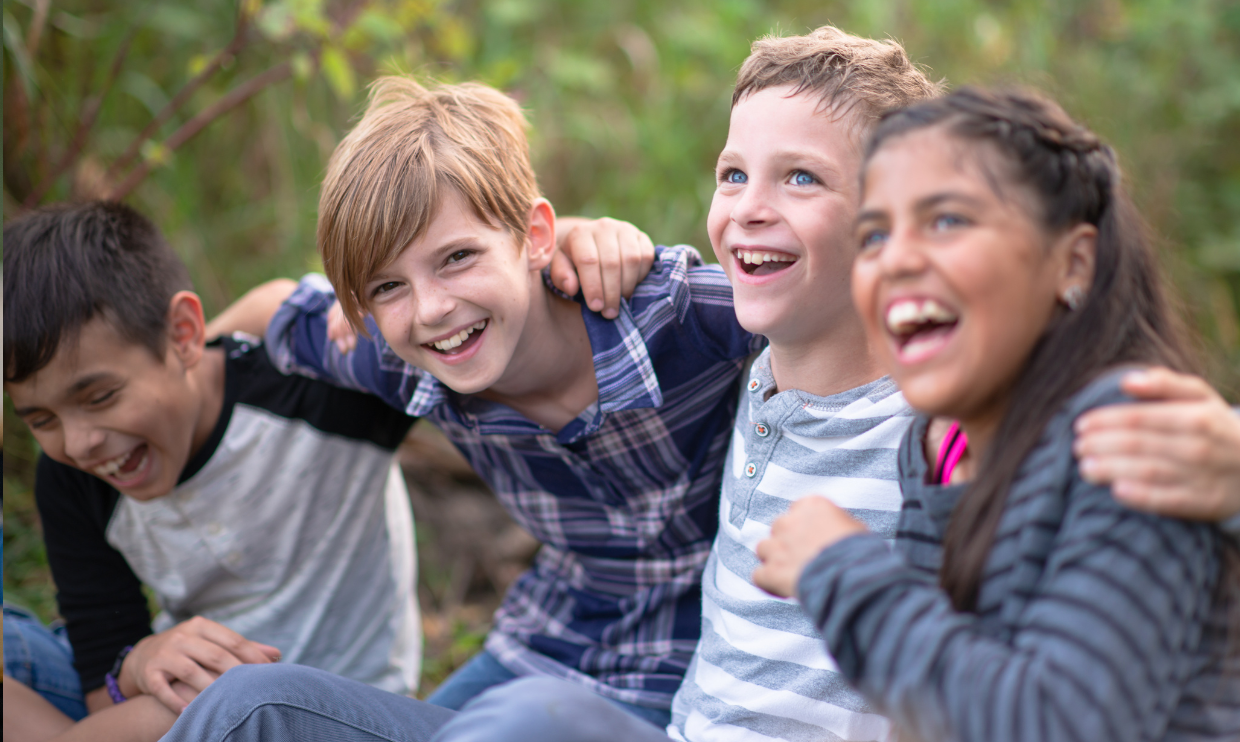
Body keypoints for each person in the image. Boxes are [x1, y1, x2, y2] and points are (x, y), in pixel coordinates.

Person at [159, 30, 1240, 742]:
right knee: (253, 704)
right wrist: (183, 373)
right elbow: (328, 303)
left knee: (533, 722)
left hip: (608, 705)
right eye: (732, 176)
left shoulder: (952, 411)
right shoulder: (753, 359)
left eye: (802, 180)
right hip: (647, 710)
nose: (748, 208)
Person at [752, 88, 1240, 741]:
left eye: (948, 220)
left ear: (1073, 262)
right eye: (874, 234)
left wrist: (841, 570)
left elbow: (1058, 725)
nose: (895, 258)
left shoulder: (1125, 429)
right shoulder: (943, 446)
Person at [3, 201, 422, 740]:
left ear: (183, 334)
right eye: (41, 419)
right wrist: (136, 662)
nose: (80, 444)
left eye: (101, 397)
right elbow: (100, 679)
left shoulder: (308, 391)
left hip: (346, 714)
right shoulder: (73, 482)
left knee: (218, 709)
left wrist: (564, 244)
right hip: (185, 692)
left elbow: (470, 341)